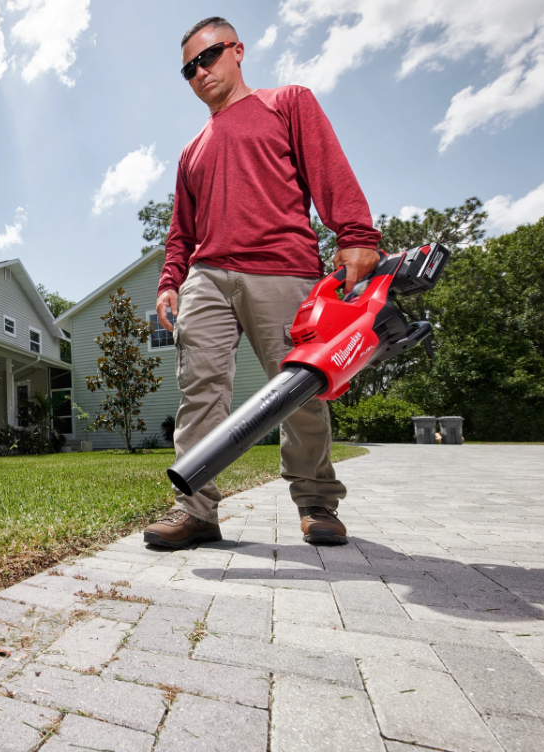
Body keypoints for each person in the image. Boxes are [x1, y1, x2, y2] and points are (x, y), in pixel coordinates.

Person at [142, 16, 381, 549]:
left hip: (283, 267)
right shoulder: (191, 151)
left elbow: (329, 169)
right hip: (207, 276)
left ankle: (316, 498)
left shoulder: (287, 102)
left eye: (208, 56)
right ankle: (197, 511)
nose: (199, 71)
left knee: (299, 390)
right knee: (199, 389)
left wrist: (356, 232)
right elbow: (181, 229)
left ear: (237, 51)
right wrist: (169, 280)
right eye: (188, 69)